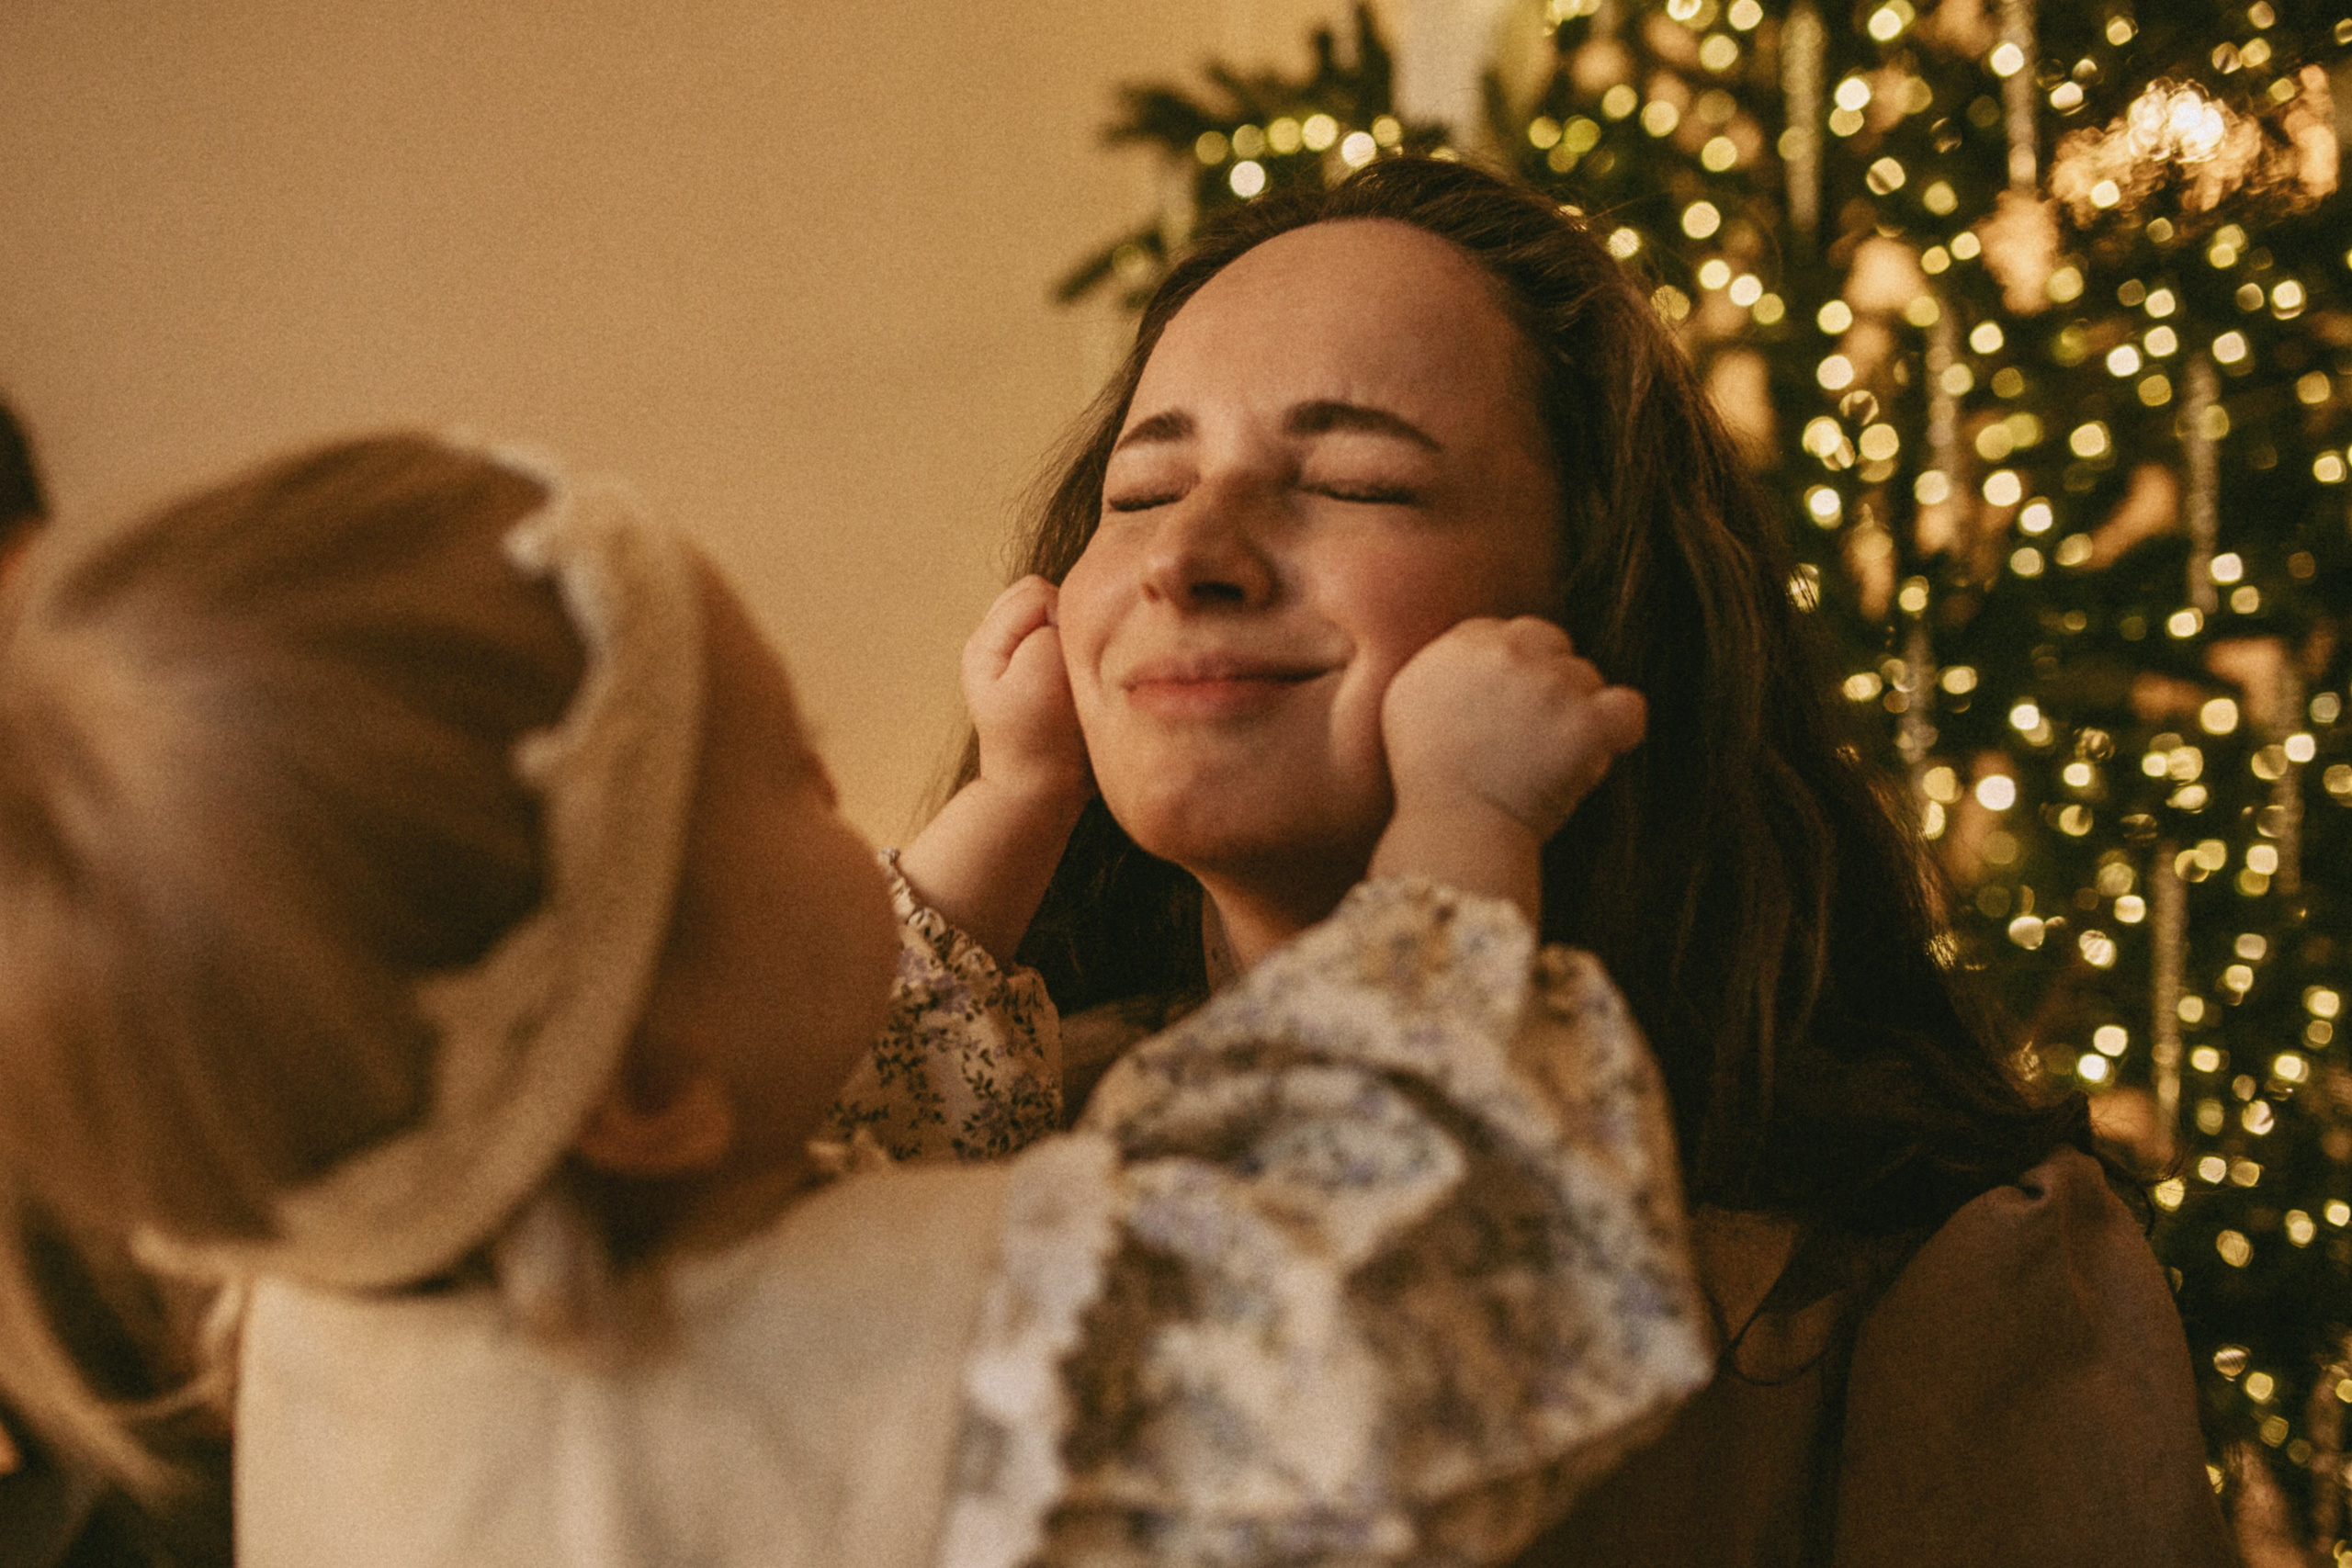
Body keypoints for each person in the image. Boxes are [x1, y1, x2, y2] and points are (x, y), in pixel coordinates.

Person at [0, 432, 1711, 1566]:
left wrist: (1017, 797)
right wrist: (1462, 825)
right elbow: (1374, 1277)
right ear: (638, 1087)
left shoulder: (381, 1274)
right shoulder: (811, 1385)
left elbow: (821, 1088)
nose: (1192, 549)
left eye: (1351, 472)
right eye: (792, 781)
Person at [989, 156, 2234, 1564]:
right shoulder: (967, 1163)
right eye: (1143, 490)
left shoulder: (1932, 1274)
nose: (1191, 556)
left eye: (1356, 479)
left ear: (1607, 598)